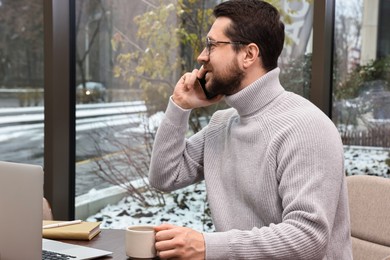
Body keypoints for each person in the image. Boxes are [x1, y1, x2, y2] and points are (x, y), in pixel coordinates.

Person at [148, 0, 353, 259]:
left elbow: (308, 236)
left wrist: (208, 247)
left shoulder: (307, 127)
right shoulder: (222, 124)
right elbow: (164, 177)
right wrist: (180, 106)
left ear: (248, 54)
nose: (201, 56)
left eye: (212, 45)